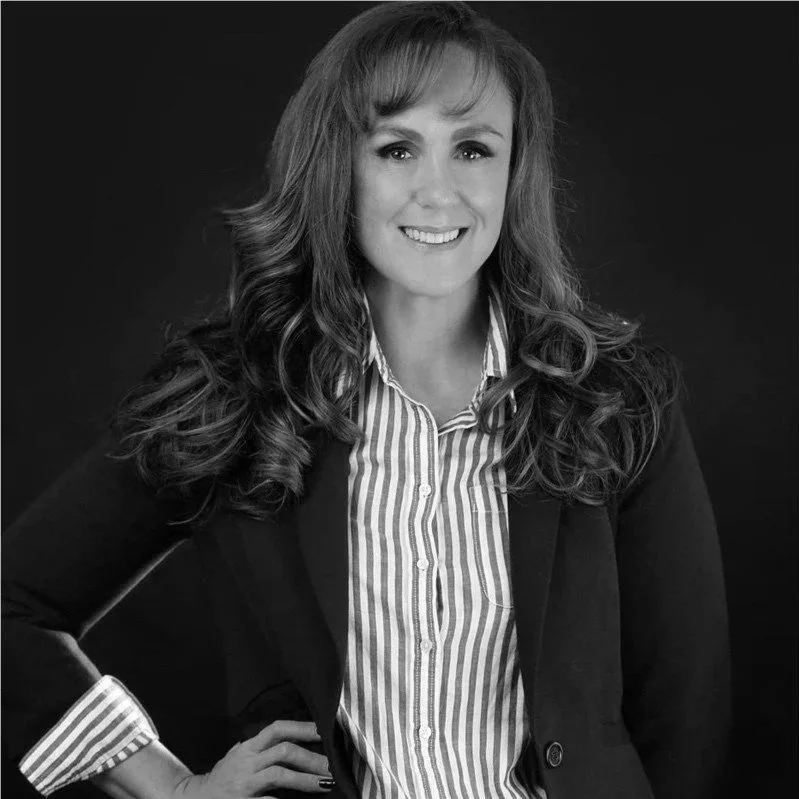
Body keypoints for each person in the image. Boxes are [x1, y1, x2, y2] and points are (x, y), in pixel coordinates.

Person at [2, 2, 731, 798]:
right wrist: (170, 788)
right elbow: (14, 608)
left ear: (514, 171)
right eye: (396, 148)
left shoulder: (615, 400)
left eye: (473, 149)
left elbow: (683, 712)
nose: (438, 191)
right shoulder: (234, 392)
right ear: (337, 167)